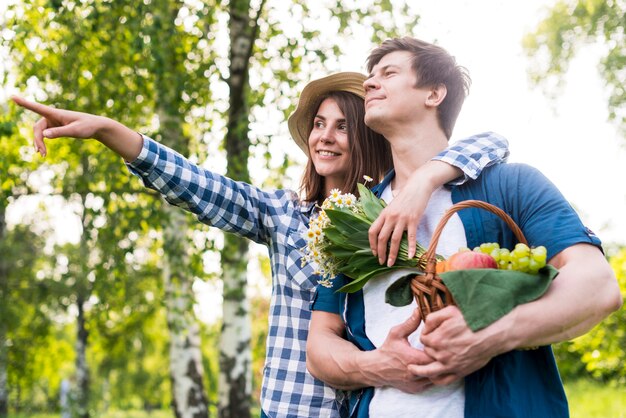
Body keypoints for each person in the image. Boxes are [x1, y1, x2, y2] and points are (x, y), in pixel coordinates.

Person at [12, 72, 510, 417]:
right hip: (296, 409)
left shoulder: (405, 213)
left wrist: (427, 179)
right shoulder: (283, 215)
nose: (325, 137)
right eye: (318, 124)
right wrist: (106, 130)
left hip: (374, 406)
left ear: (365, 136)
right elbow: (195, 183)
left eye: (342, 126)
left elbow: (491, 144)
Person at [307, 38, 623, 418]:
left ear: (434, 93)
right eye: (370, 76)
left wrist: (488, 335)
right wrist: (379, 365)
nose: (369, 83)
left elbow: (598, 287)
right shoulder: (354, 218)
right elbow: (319, 345)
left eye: (388, 73)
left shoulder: (511, 185)